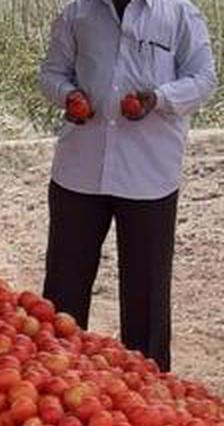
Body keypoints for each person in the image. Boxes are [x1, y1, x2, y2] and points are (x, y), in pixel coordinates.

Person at [39, 0, 217, 372]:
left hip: (149, 175)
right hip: (79, 172)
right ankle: (55, 379)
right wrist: (69, 96)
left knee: (146, 298)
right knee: (63, 289)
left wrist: (159, 99)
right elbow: (52, 73)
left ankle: (148, 389)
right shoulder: (77, 14)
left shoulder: (181, 14)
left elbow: (204, 80)